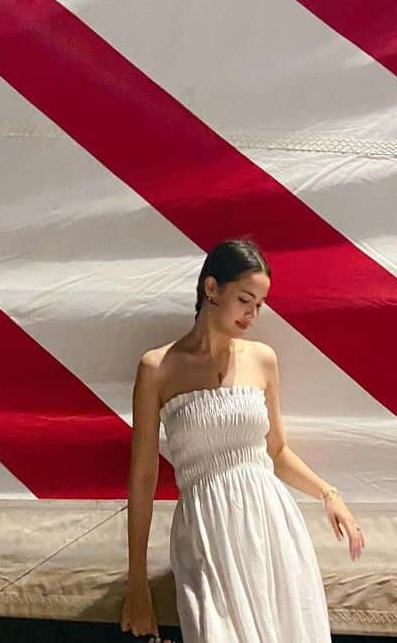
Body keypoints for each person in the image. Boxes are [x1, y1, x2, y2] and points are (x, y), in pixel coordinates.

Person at [120, 237, 364, 642]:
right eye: (245, 300)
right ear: (211, 288)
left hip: (270, 525)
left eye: (260, 305)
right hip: (205, 531)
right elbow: (143, 479)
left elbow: (277, 452)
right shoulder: (157, 368)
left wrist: (328, 494)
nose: (253, 314)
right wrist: (136, 583)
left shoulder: (262, 359)